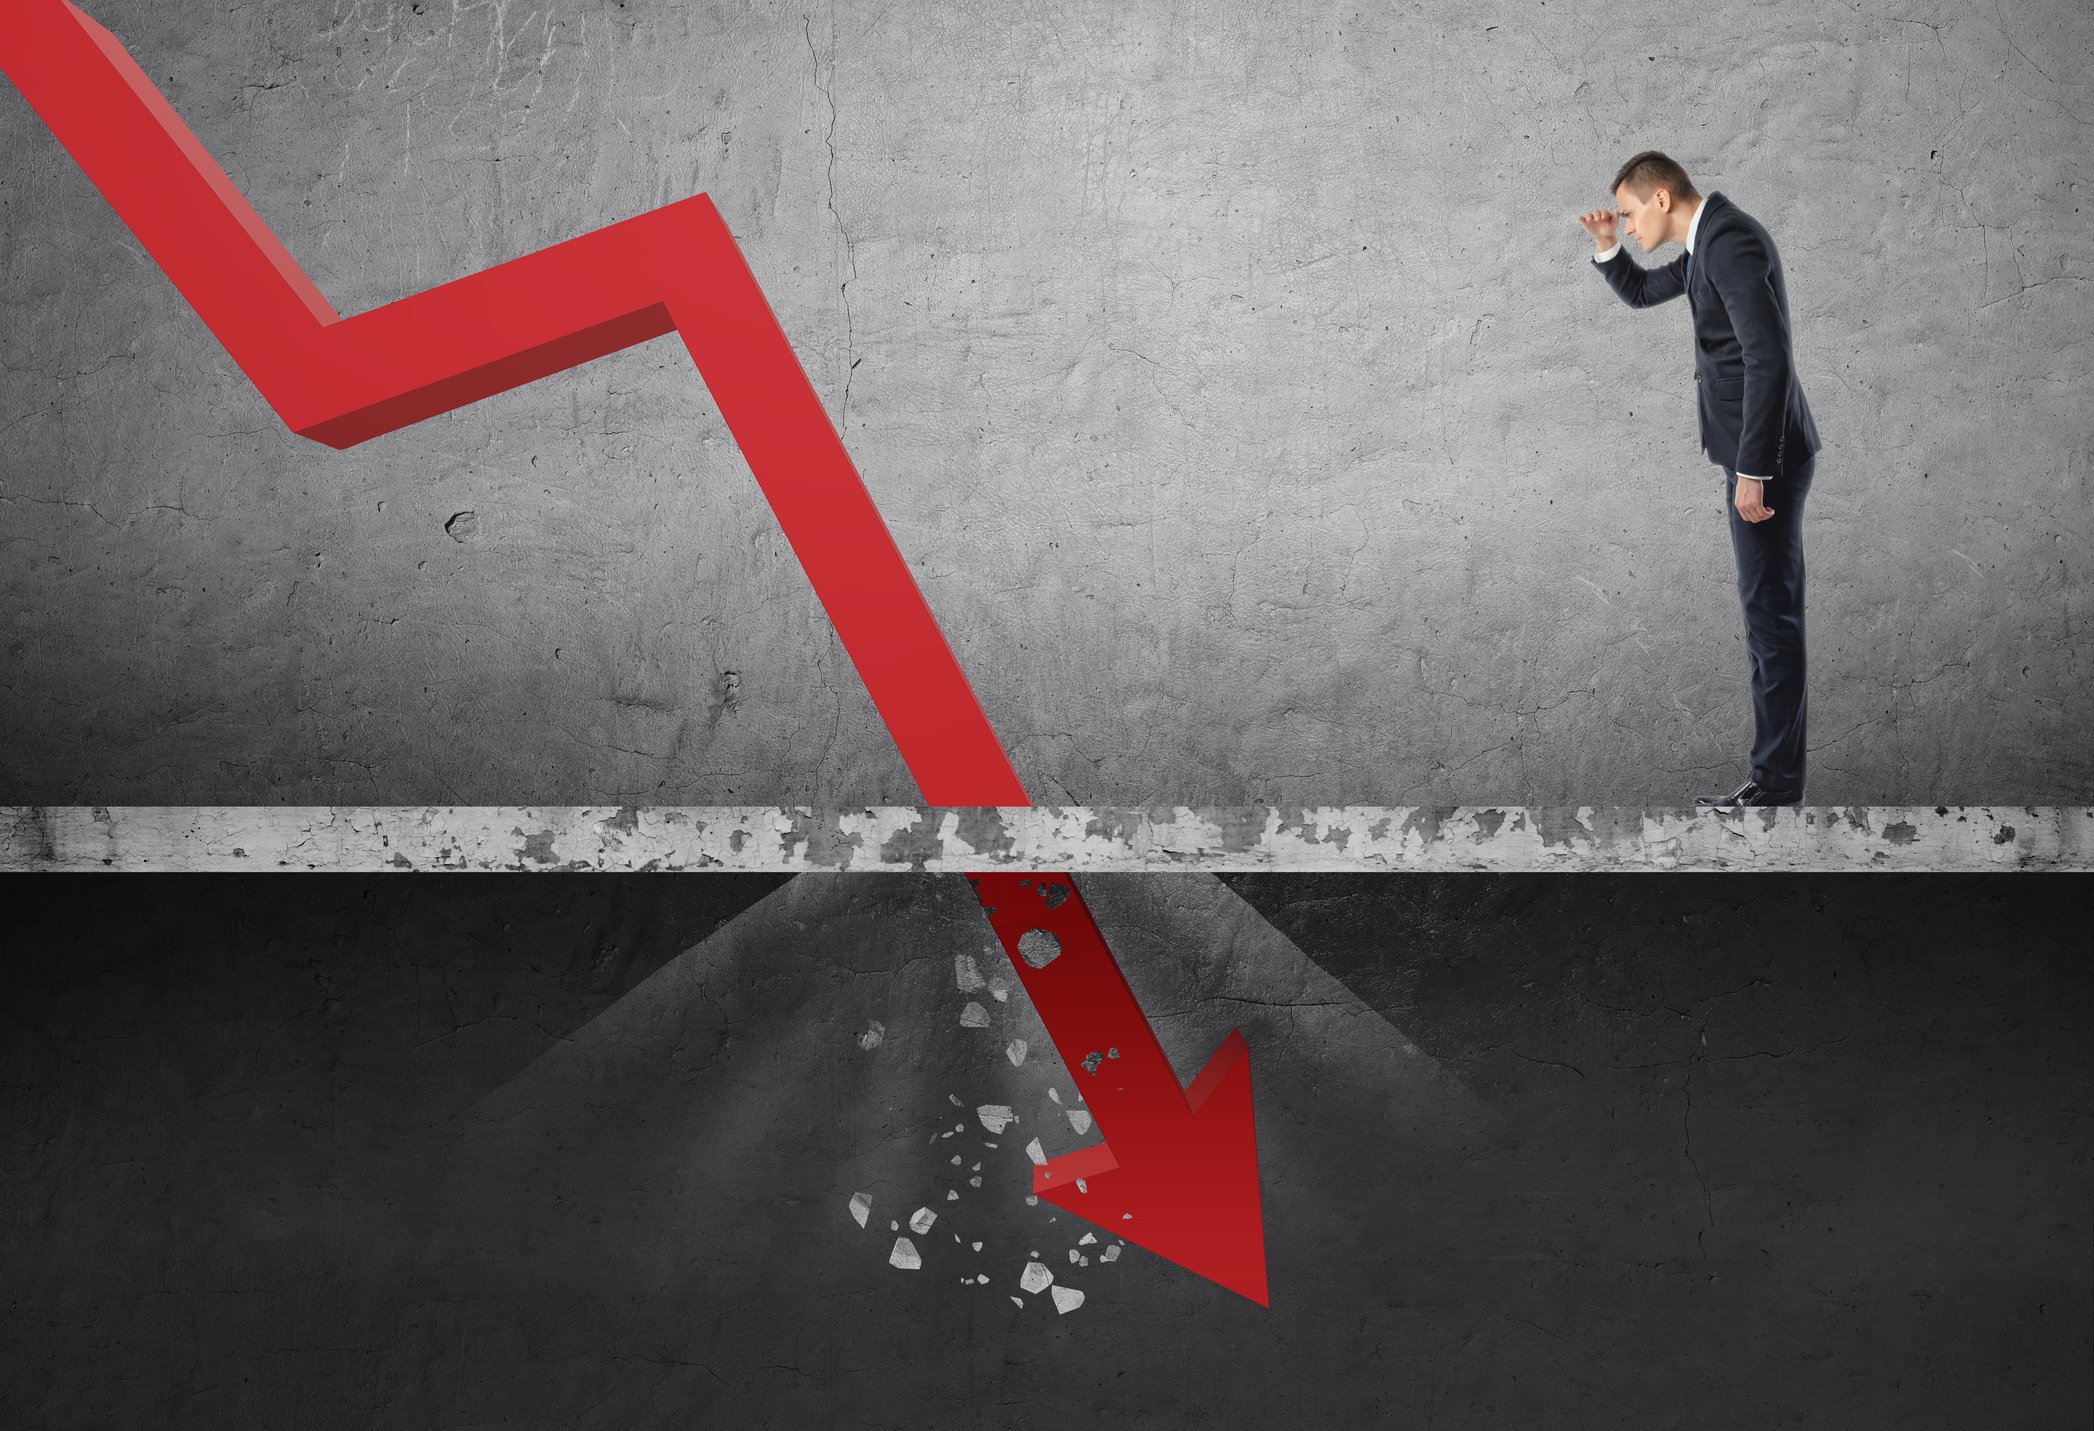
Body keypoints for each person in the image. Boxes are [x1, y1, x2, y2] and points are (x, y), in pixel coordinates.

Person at [1578, 150, 1822, 808]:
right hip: (1756, 456)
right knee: (1768, 614)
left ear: (1661, 200)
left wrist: (1753, 472)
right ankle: (1777, 785)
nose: (1626, 225)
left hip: (1764, 460)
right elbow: (1640, 291)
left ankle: (1775, 791)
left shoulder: (1729, 243)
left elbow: (1767, 357)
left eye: (1627, 215)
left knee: (1771, 619)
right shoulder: (1703, 243)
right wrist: (1605, 249)